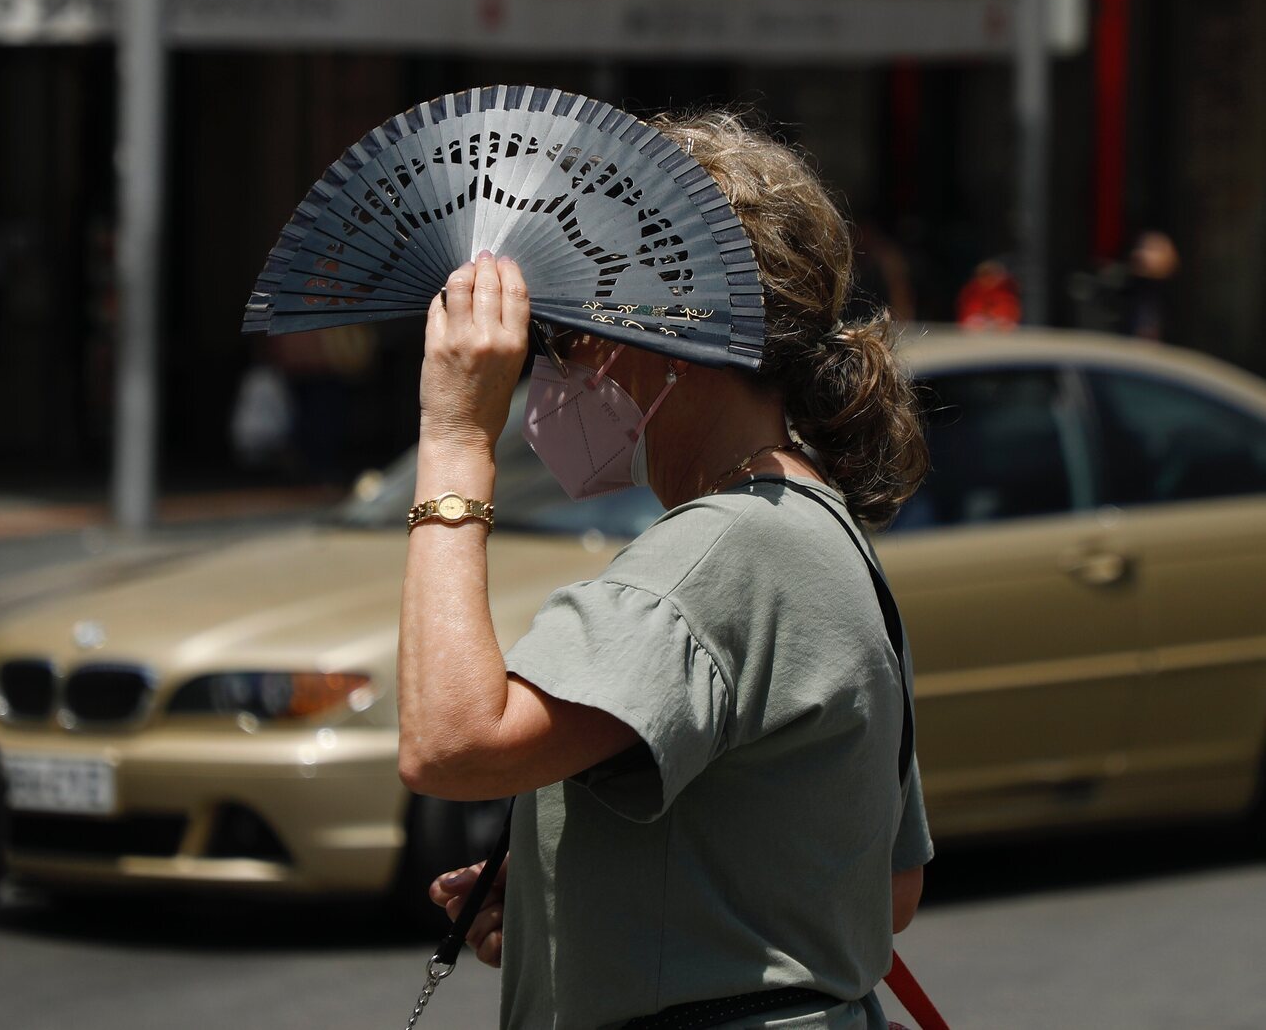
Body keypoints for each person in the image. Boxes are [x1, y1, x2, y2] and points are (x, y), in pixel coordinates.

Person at [398, 110, 933, 1030]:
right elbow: (884, 889)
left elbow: (449, 741)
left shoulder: (721, 550)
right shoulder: (819, 532)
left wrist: (454, 440)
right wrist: (600, 898)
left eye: (566, 331)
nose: (559, 366)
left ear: (657, 336)